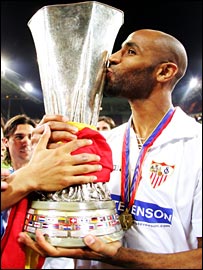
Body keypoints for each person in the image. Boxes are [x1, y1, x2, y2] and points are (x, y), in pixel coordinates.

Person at [18, 29, 202, 269]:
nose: (112, 58)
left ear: (164, 71)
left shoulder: (196, 145)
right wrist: (42, 152)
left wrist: (118, 256)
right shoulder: (103, 142)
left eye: (130, 52)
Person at [1, 115, 102, 269]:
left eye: (30, 136)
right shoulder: (5, 181)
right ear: (5, 142)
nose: (26, 142)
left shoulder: (64, 177)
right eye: (19, 137)